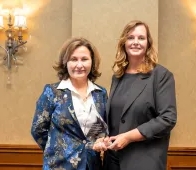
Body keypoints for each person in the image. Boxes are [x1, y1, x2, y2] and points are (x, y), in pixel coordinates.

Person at [93, 20, 177, 170]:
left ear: (148, 43)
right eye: (131, 38)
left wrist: (128, 137)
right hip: (112, 161)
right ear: (124, 43)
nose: (135, 42)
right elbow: (115, 119)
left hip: (144, 161)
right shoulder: (118, 77)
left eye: (141, 38)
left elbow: (167, 118)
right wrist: (103, 139)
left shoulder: (161, 76)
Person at [31, 37, 107, 170]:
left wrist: (98, 141)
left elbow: (99, 130)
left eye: (84, 59)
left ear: (92, 62)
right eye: (73, 59)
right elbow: (38, 130)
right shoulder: (52, 92)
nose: (79, 65)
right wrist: (57, 151)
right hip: (59, 166)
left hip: (91, 165)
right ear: (65, 62)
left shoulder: (100, 93)